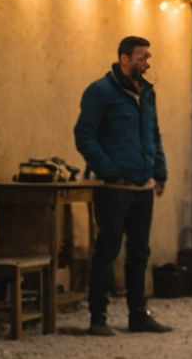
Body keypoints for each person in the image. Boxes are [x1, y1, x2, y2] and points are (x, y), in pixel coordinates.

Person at [73, 36, 171, 336]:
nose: (147, 62)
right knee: (107, 250)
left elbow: (153, 133)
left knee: (139, 252)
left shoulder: (147, 92)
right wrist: (110, 172)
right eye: (141, 57)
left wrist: (160, 171)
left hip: (143, 187)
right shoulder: (100, 92)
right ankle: (98, 317)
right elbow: (84, 135)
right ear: (124, 58)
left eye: (148, 56)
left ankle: (138, 315)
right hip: (115, 189)